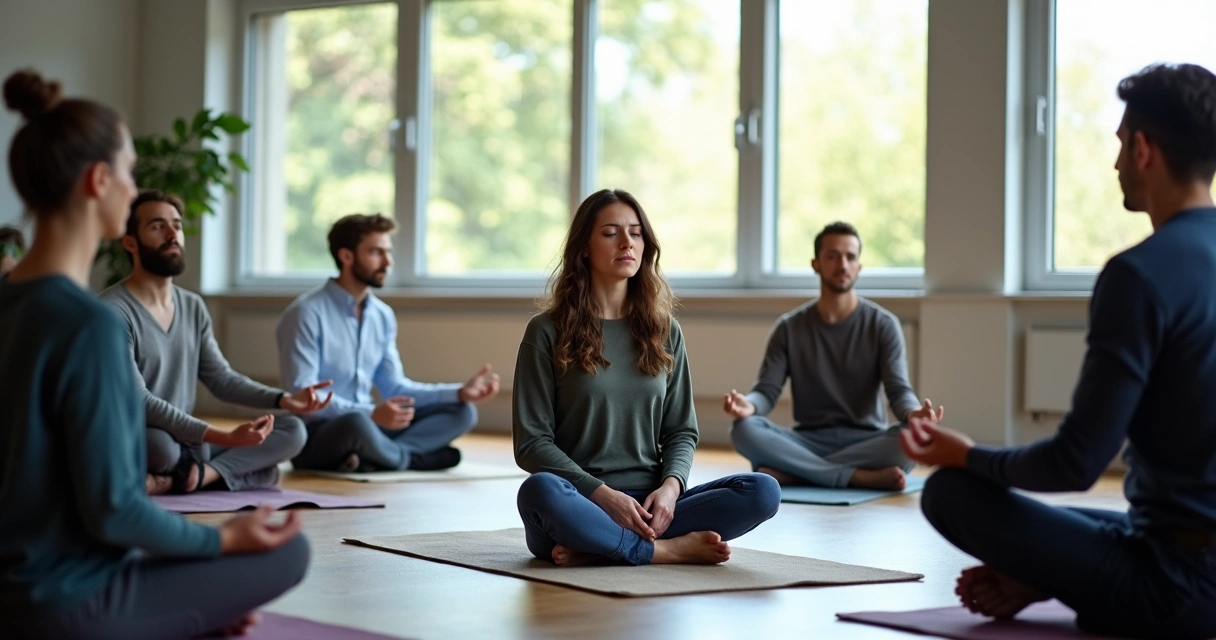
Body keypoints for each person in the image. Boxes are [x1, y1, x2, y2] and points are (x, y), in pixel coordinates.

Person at [902, 63, 1216, 639]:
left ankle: (1059, 575)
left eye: (1121, 145)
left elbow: (1077, 463)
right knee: (1101, 523)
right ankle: (1049, 575)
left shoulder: (1138, 276)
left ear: (1145, 149)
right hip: (1176, 543)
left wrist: (967, 455)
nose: (1117, 162)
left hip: (1179, 589)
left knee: (951, 493)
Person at [0, 69, 308, 640]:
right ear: (98, 181)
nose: (132, 183)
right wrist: (222, 538)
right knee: (288, 552)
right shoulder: (89, 321)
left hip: (26, 578)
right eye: (129, 170)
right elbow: (115, 512)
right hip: (56, 606)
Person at [514, 188, 781, 566]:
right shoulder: (545, 331)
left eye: (636, 233)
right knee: (539, 491)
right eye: (610, 233)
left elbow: (681, 431)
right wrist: (603, 495)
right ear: (584, 248)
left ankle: (601, 548)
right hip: (581, 500)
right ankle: (661, 551)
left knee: (762, 490)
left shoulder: (665, 330)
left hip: (652, 507)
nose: (627, 242)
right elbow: (531, 444)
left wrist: (671, 490)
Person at [102, 190, 332, 494]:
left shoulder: (193, 306)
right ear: (130, 242)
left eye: (177, 225)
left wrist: (284, 400)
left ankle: (194, 477)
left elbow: (221, 379)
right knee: (161, 448)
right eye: (158, 226)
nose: (173, 234)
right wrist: (224, 437)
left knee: (292, 429)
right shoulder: (111, 311)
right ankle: (238, 473)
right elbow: (139, 401)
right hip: (143, 438)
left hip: (187, 442)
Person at [724, 221, 943, 490]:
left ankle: (799, 471)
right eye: (832, 256)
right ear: (815, 264)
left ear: (859, 266)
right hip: (808, 439)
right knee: (744, 430)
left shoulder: (883, 325)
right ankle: (857, 477)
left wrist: (913, 415)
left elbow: (899, 391)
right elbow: (767, 391)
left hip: (867, 441)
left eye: (850, 257)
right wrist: (749, 405)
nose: (843, 264)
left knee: (912, 437)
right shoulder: (789, 328)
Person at [278, 213, 500, 473]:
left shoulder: (382, 315)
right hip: (321, 433)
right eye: (376, 252)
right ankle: (412, 459)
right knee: (355, 423)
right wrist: (370, 413)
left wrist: (458, 393)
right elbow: (305, 396)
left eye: (388, 252)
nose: (388, 262)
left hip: (372, 426)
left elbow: (395, 387)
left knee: (463, 412)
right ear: (346, 256)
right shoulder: (305, 313)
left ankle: (380, 458)